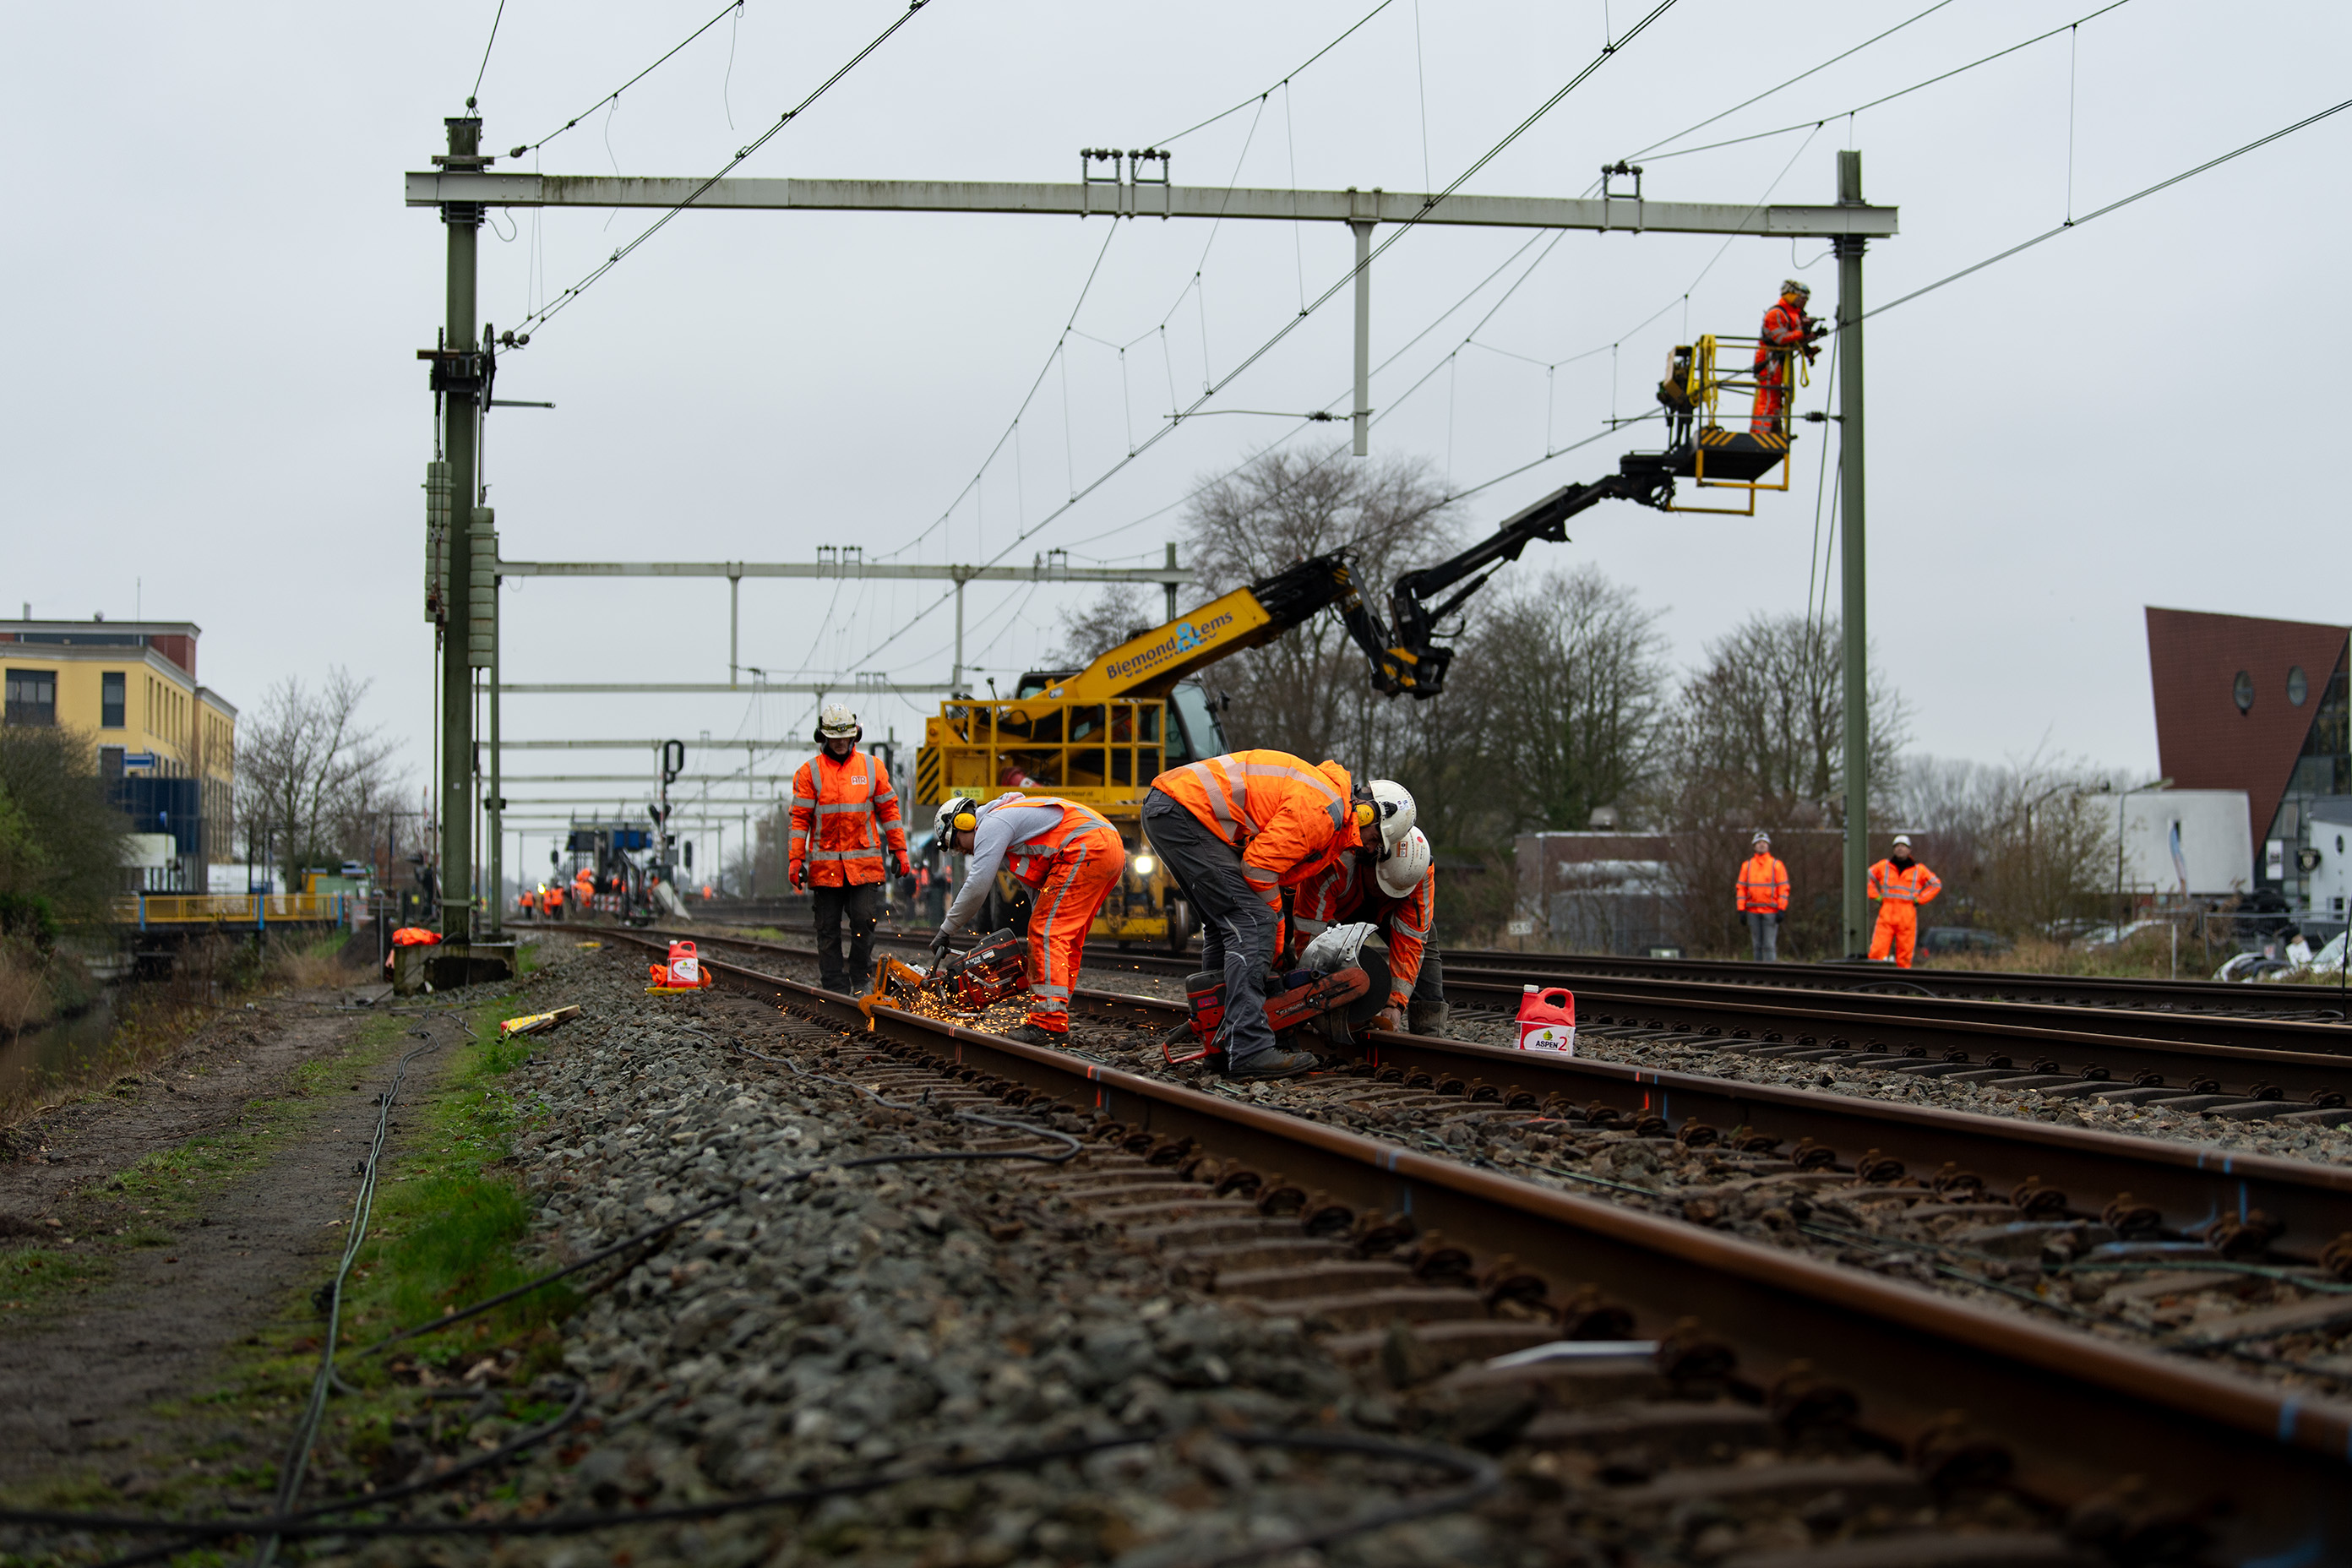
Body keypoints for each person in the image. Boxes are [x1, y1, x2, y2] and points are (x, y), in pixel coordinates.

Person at [1142, 751, 1415, 1080]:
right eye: (1376, 839)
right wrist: (1275, 928)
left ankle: (1222, 1042)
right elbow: (1257, 869)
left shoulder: (1327, 803)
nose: (1370, 850)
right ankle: (1249, 1049)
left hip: (1174, 808)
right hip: (1184, 812)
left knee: (1223, 926)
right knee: (1254, 922)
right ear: (1370, 812)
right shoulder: (1324, 812)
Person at [930, 792, 1125, 1044]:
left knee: (1047, 933)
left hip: (1087, 847)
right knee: (1063, 937)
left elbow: (977, 886)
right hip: (1107, 848)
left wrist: (946, 930)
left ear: (963, 822)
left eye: (958, 844)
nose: (963, 851)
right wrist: (1036, 956)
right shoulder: (1010, 827)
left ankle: (1049, 1022)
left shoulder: (993, 824)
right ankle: (1053, 1009)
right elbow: (1039, 894)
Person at [788, 703, 912, 992]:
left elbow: (889, 812)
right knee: (828, 929)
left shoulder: (872, 768)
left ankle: (860, 977)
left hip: (864, 866)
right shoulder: (809, 773)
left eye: (845, 736)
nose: (841, 742)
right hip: (826, 867)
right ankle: (833, 985)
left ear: (855, 734)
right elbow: (799, 820)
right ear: (824, 737)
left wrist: (900, 849)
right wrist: (796, 859)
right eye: (834, 737)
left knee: (864, 921)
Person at [1291, 826, 1445, 1035]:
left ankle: (1430, 1031)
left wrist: (1395, 1003)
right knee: (1273, 939)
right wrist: (1319, 995)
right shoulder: (1335, 864)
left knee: (1427, 939)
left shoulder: (1418, 871)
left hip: (1384, 909)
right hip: (1334, 905)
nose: (1388, 893)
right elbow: (1311, 942)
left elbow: (1411, 941)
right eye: (1384, 887)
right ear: (1370, 859)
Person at [1751, 279, 1824, 436]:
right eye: (1801, 298)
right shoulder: (1776, 314)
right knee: (1769, 398)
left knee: (1777, 399)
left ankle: (1774, 431)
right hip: (1769, 361)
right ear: (1791, 295)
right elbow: (1782, 338)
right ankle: (1760, 433)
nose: (1804, 302)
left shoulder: (1793, 315)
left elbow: (1796, 340)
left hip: (1780, 362)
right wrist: (1803, 333)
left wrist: (1812, 340)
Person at [1866, 833, 1942, 967]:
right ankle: (1875, 978)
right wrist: (1875, 895)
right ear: (1893, 849)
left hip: (1907, 915)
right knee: (1877, 952)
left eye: (1903, 846)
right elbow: (1866, 876)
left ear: (1909, 850)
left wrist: (1920, 900)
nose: (1900, 849)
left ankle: (1902, 981)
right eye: (1897, 846)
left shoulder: (1919, 869)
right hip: (1887, 913)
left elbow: (1936, 884)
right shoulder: (1884, 866)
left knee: (1905, 956)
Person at [1735, 830, 1790, 962]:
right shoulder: (1747, 866)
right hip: (1752, 911)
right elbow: (1741, 889)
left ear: (1768, 846)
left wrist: (1781, 909)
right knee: (1757, 945)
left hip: (1771, 911)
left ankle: (1771, 974)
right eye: (1759, 843)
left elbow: (1783, 888)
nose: (1761, 845)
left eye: (1764, 843)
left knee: (1769, 945)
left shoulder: (1776, 865)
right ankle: (1758, 974)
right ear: (1754, 846)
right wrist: (1741, 910)